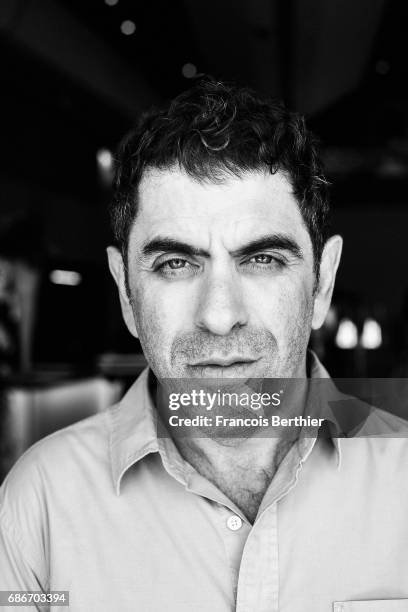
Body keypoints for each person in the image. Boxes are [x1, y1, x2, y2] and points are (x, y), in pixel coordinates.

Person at [1, 78, 408, 612]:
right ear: (125, 291)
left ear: (321, 285)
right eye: (175, 264)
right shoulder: (40, 505)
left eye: (262, 259)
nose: (219, 316)